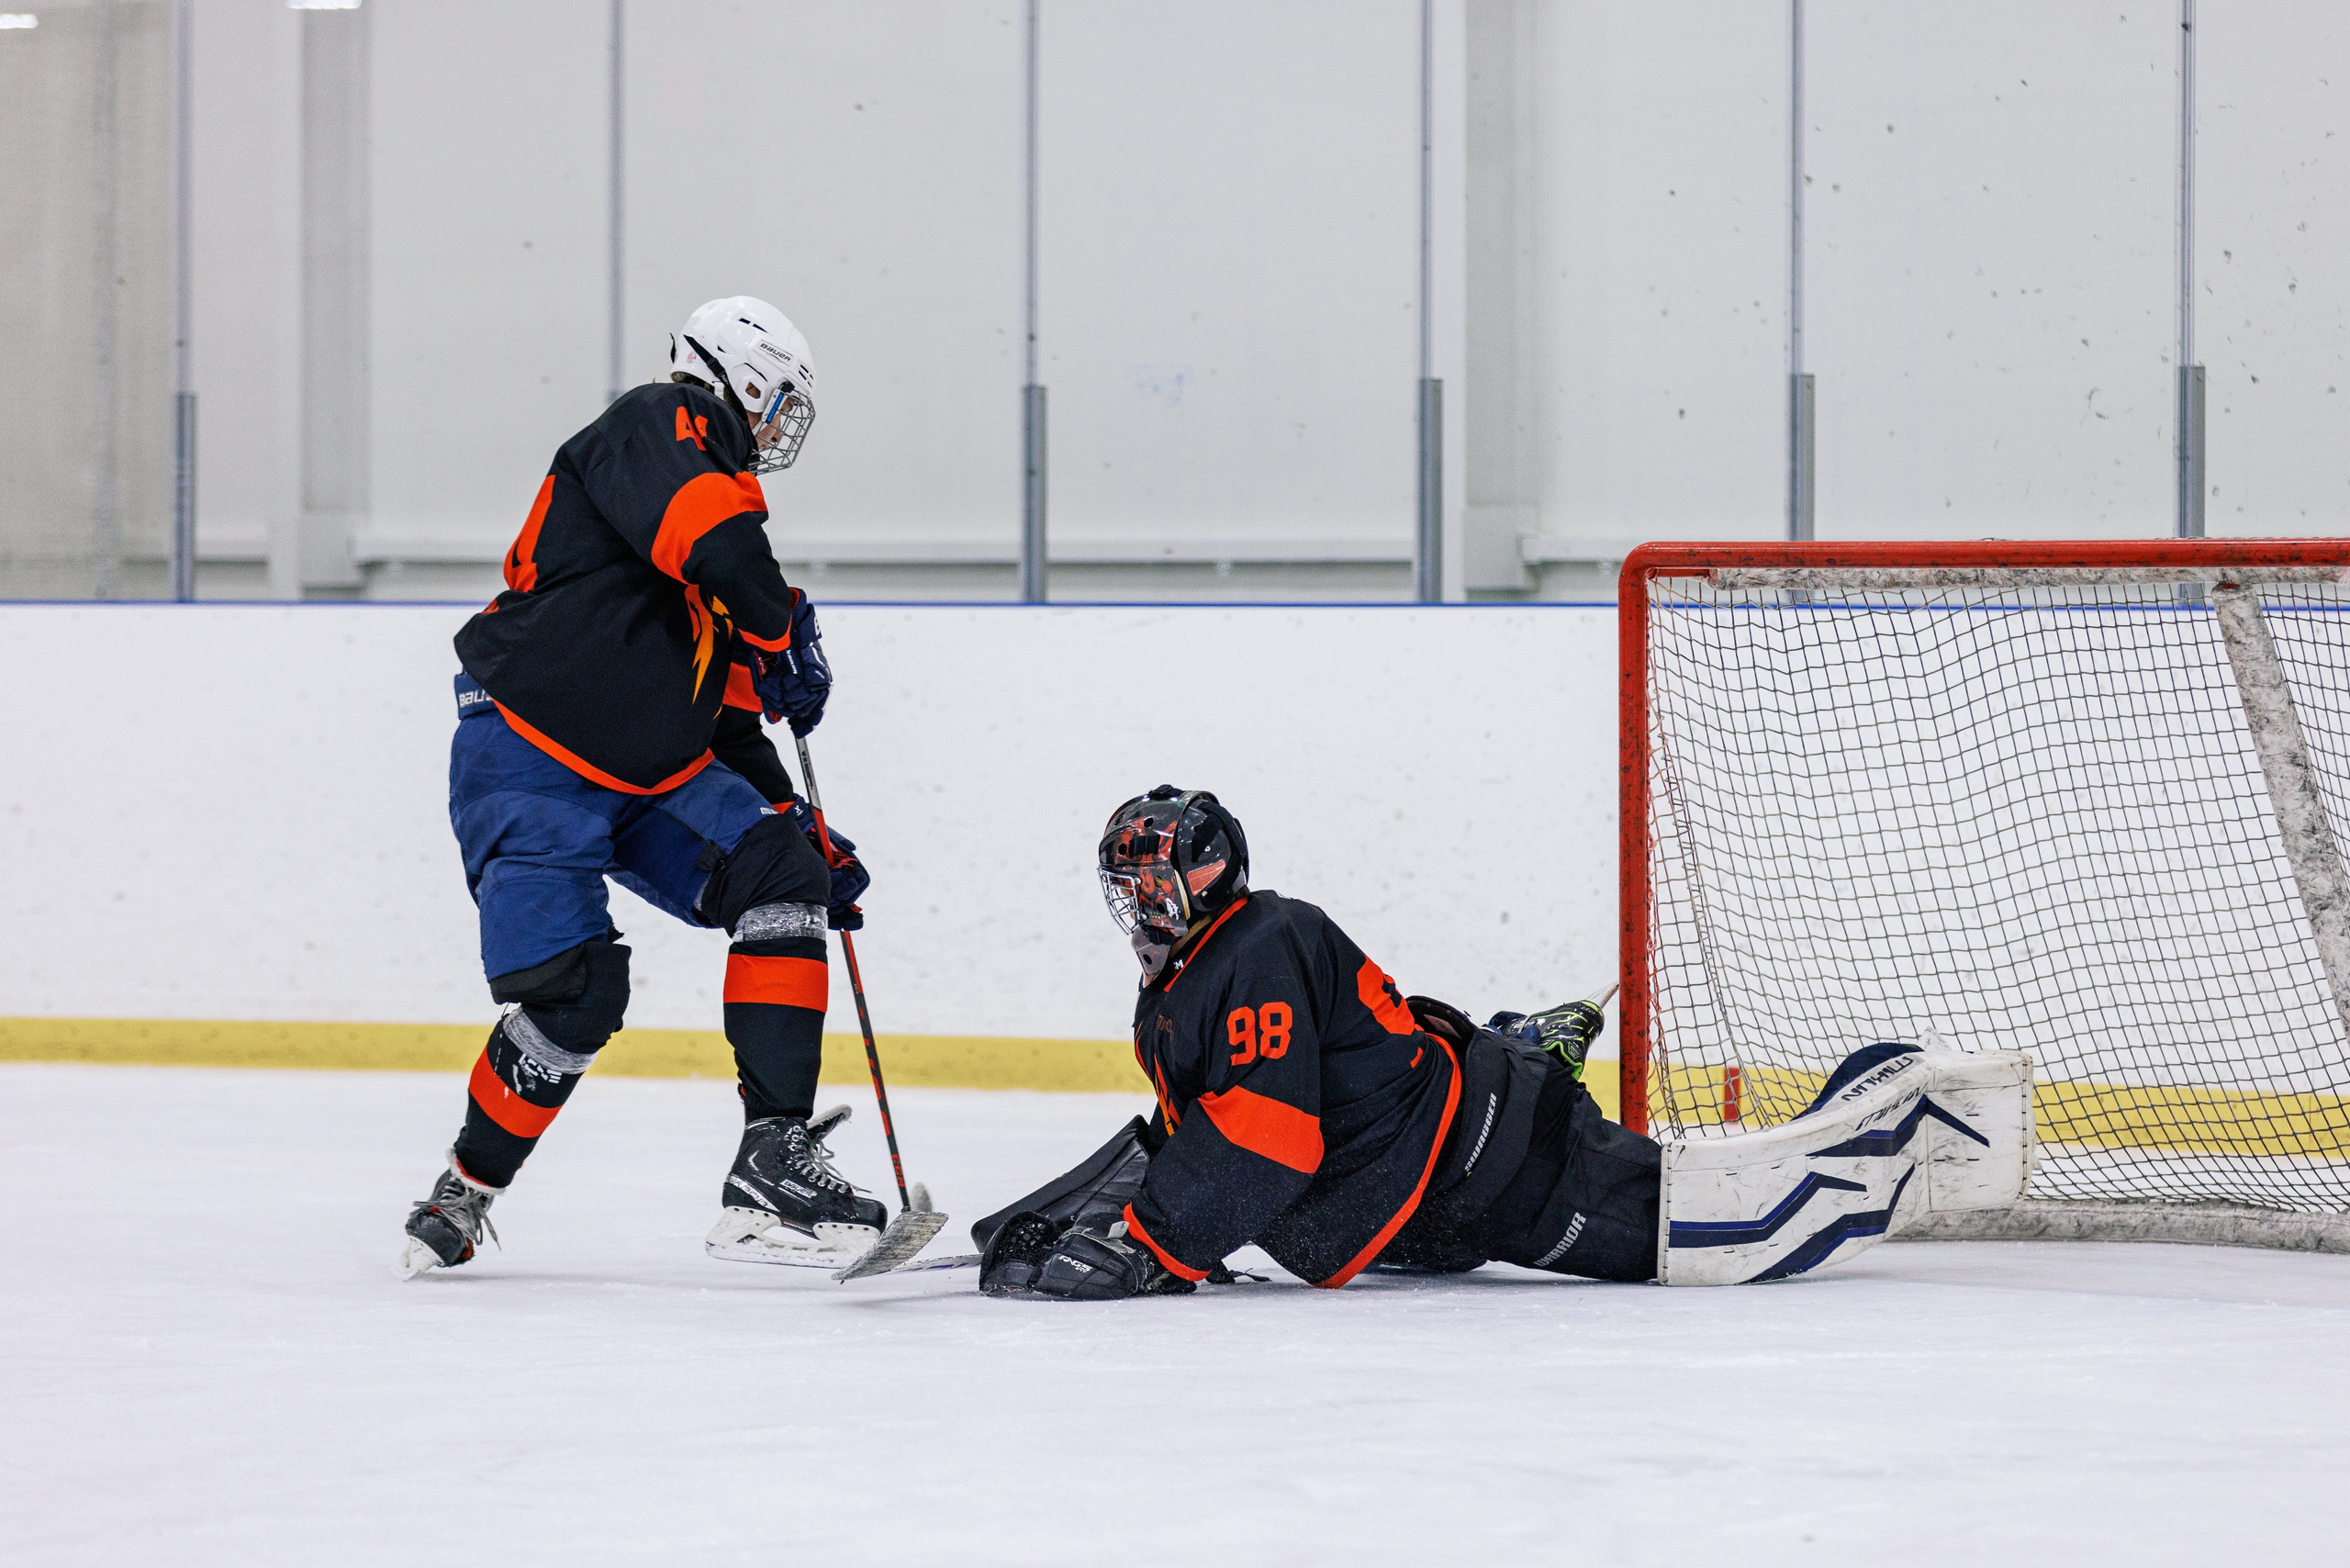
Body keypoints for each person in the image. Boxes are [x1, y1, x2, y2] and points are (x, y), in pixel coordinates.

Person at [974, 787, 2032, 1298]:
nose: (1148, 898)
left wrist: (1151, 1250)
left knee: (1720, 1225)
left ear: (1218, 870)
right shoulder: (1177, 986)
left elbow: (1267, 1133)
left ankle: (1910, 1117)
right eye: (1132, 884)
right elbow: (1197, 1129)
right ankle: (1530, 1041)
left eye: (1163, 876)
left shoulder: (1259, 939)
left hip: (1496, 1169)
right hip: (1434, 1189)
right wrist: (1066, 1215)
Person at [398, 297, 884, 1279]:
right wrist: (779, 624)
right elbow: (719, 547)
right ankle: (466, 1185)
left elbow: (730, 724)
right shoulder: (658, 425)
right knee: (577, 998)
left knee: (783, 875)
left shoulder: (716, 519)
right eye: (779, 401)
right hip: (529, 754)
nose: (781, 425)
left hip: (648, 771)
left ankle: (770, 1161)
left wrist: (796, 820)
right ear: (742, 380)